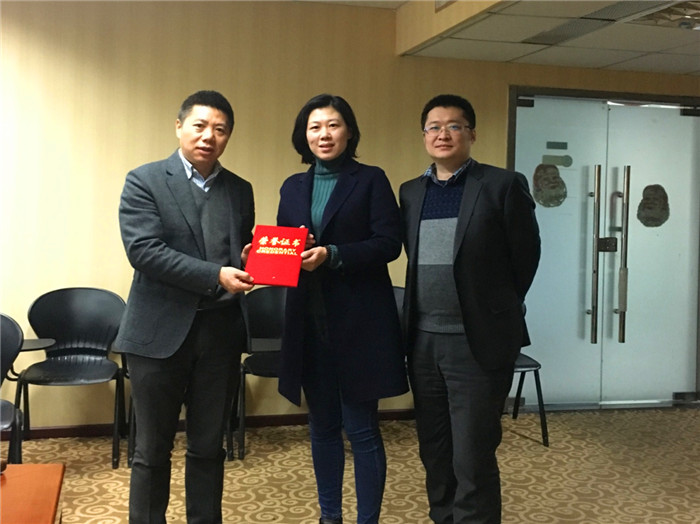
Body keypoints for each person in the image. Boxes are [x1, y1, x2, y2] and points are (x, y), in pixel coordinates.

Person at [399, 94, 541, 524]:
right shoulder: (411, 192)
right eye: (434, 127)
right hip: (423, 343)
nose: (443, 134)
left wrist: (495, 310)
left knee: (473, 456)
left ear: (472, 134)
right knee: (434, 451)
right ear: (424, 135)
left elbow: (526, 257)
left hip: (477, 345)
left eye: (454, 126)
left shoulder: (502, 184)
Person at [115, 90, 255, 524]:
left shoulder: (240, 190)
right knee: (151, 450)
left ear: (228, 136)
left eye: (220, 129)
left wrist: (254, 258)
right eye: (200, 126)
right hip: (157, 335)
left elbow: (236, 254)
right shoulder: (144, 180)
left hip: (220, 335)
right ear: (179, 127)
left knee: (209, 447)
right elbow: (144, 251)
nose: (209, 136)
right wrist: (216, 274)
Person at [276, 93, 409, 524]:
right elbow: (284, 250)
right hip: (309, 325)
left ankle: (367, 520)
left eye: (333, 125)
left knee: (362, 430)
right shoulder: (292, 186)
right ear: (304, 135)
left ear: (349, 131)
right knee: (322, 428)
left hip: (360, 325)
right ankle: (329, 517)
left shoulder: (370, 179)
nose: (324, 134)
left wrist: (332, 254)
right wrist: (260, 256)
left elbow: (388, 244)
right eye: (315, 127)